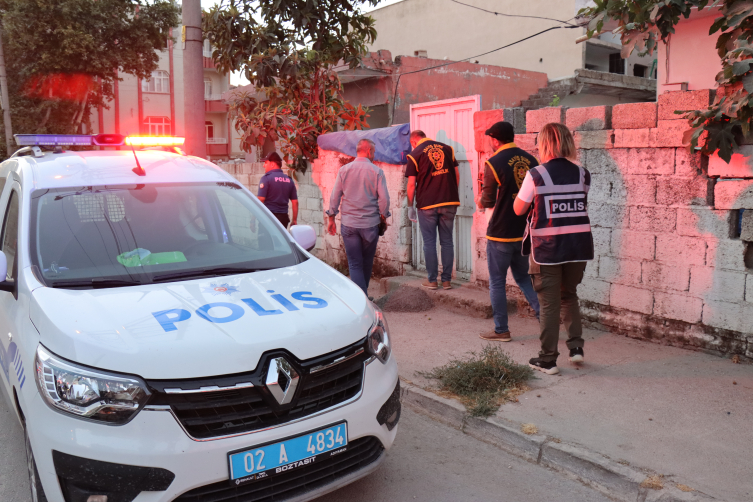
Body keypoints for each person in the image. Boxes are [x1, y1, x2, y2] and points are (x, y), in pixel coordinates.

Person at [513, 123, 594, 375]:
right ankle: (576, 349)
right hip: (578, 247)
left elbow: (519, 209)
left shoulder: (536, 175)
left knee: (549, 304)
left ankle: (547, 359)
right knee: (569, 295)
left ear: (544, 144)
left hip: (547, 249)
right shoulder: (583, 174)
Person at [476, 121, 540, 342]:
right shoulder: (532, 160)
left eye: (490, 140)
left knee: (497, 281)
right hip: (523, 232)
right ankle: (546, 319)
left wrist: (479, 199)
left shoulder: (493, 162)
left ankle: (501, 330)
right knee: (524, 278)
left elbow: (488, 200)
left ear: (495, 140)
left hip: (500, 232)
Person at [326, 139, 391, 295]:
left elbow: (335, 196)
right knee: (367, 262)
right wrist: (383, 216)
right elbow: (384, 199)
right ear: (368, 151)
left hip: (349, 225)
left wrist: (331, 218)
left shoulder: (344, 170)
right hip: (370, 225)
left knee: (355, 264)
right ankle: (364, 298)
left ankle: (362, 299)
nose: (374, 156)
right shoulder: (377, 172)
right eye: (374, 152)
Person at [405, 130, 460, 290]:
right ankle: (447, 281)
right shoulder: (448, 149)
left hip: (427, 205)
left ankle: (432, 280)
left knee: (429, 242)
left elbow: (411, 185)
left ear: (413, 142)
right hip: (449, 202)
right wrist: (449, 192)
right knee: (447, 241)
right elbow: (456, 174)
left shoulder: (414, 154)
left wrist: (410, 206)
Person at [257, 152, 298, 228]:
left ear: (272, 164)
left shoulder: (266, 179)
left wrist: (253, 219)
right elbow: (295, 202)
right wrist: (294, 220)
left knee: (265, 239)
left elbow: (260, 199)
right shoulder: (289, 180)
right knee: (280, 239)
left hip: (268, 217)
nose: (263, 166)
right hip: (283, 218)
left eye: (266, 163)